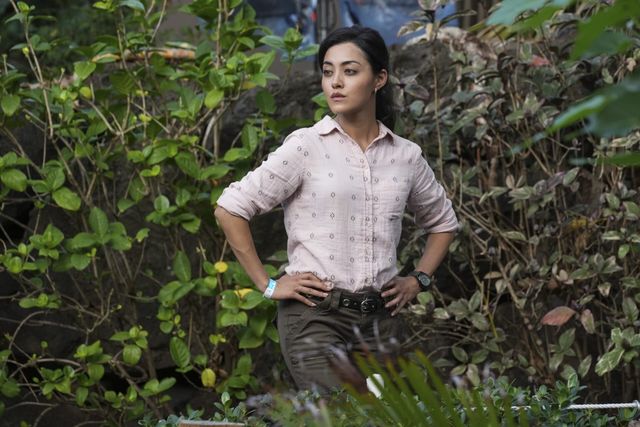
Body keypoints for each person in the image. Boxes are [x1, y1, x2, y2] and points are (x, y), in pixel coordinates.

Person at [214, 25, 458, 394]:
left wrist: (418, 279)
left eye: (350, 71)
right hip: (315, 316)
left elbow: (443, 223)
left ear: (379, 79)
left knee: (390, 415)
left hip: (380, 321)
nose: (336, 83)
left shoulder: (406, 156)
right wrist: (267, 284)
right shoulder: (306, 147)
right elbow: (230, 208)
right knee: (338, 412)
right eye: (328, 72)